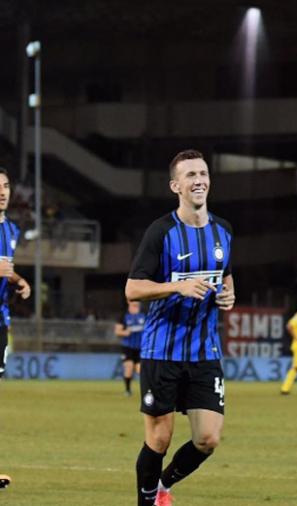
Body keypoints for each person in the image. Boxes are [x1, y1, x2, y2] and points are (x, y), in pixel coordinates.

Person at [125, 149, 236, 506]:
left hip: (205, 351)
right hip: (162, 350)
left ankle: (164, 486)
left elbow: (226, 274)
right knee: (159, 439)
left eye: (202, 173)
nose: (199, 180)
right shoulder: (161, 232)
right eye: (190, 175)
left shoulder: (224, 231)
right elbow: (133, 288)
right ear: (176, 185)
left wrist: (229, 293)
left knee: (208, 439)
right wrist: (177, 286)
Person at [0, 168, 31, 379]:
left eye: (6, 186)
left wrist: (20, 280)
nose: (2, 192)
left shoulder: (12, 230)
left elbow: (6, 268)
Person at [115, 300, 146, 396]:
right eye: (133, 304)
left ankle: (146, 391)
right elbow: (117, 331)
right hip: (127, 347)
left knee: (140, 369)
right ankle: (128, 390)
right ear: (129, 303)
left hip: (140, 347)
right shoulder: (123, 316)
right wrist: (125, 332)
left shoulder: (144, 316)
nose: (136, 306)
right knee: (129, 367)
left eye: (137, 304)